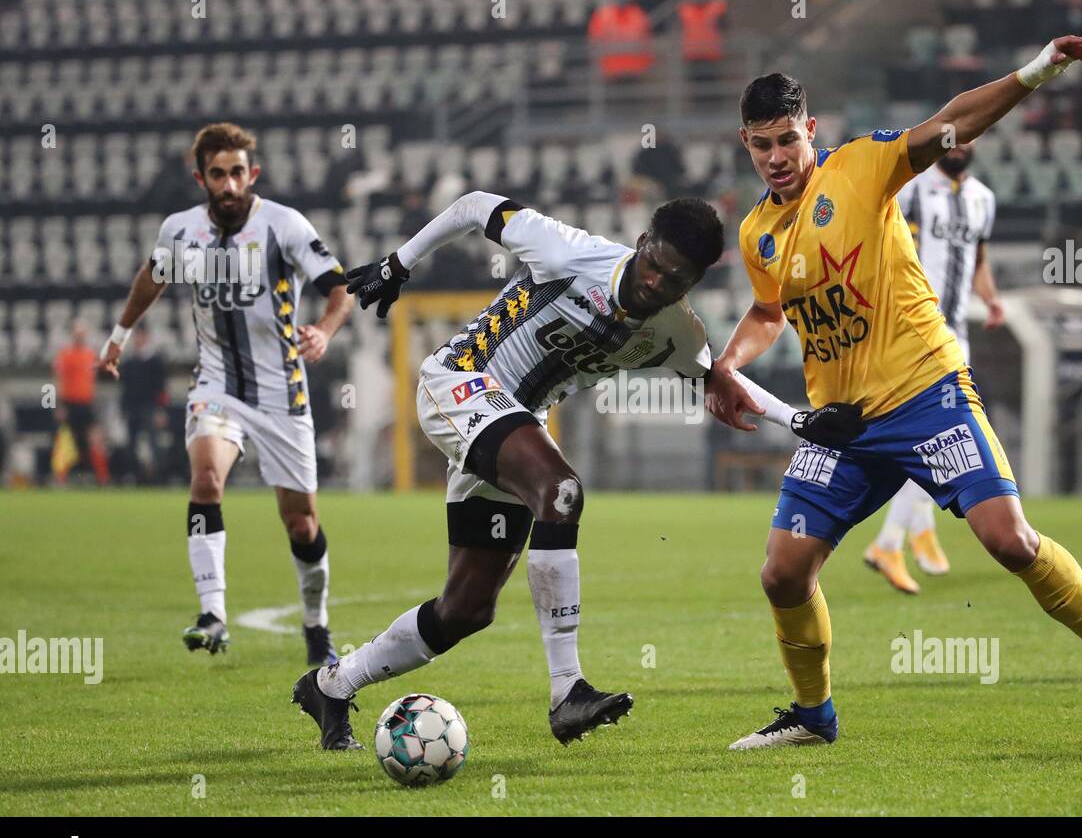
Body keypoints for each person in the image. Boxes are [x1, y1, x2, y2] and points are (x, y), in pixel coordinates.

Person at [707, 37, 1082, 750]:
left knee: (1011, 542)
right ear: (745, 144)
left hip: (925, 392)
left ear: (809, 130)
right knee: (782, 574)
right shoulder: (757, 232)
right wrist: (727, 362)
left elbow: (953, 124)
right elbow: (766, 314)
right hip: (843, 426)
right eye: (762, 146)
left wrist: (1035, 70)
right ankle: (813, 716)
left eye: (788, 139)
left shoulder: (860, 168)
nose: (777, 156)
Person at [290, 192, 860, 750]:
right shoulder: (569, 254)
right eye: (654, 264)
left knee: (465, 610)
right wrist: (398, 263)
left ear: (694, 283)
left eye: (676, 279)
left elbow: (717, 379)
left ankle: (332, 686)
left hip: (513, 424)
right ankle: (568, 691)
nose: (656, 283)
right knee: (561, 491)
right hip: (460, 381)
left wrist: (799, 421)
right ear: (641, 243)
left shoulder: (676, 330)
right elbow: (472, 205)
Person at [98, 122, 355, 664]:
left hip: (282, 391)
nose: (230, 184)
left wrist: (324, 332)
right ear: (202, 179)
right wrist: (119, 336)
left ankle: (316, 624)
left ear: (252, 173)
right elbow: (153, 276)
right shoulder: (180, 230)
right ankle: (212, 613)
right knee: (207, 477)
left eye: (238, 172)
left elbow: (338, 287)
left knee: (301, 522)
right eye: (218, 175)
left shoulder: (283, 225)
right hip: (216, 384)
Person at [865, 139, 1005, 594]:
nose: (962, 145)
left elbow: (978, 261)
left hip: (956, 332)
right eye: (955, 137)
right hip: (913, 328)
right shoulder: (913, 189)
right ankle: (893, 541)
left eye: (970, 138)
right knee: (941, 441)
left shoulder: (984, 198)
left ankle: (915, 531)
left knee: (941, 442)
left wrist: (992, 299)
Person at [52, 321, 109, 485]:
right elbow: (56, 381)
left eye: (82, 334)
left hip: (87, 404)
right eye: (78, 334)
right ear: (73, 335)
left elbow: (93, 382)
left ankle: (103, 478)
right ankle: (60, 478)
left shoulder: (90, 355)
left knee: (95, 439)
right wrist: (57, 405)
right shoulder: (65, 355)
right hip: (69, 404)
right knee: (65, 441)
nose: (80, 337)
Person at [118, 327, 169, 484]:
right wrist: (124, 408)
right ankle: (134, 475)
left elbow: (161, 389)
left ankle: (158, 477)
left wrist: (161, 410)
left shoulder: (156, 362)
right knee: (131, 443)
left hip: (150, 407)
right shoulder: (128, 363)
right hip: (133, 408)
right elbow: (125, 388)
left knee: (154, 443)